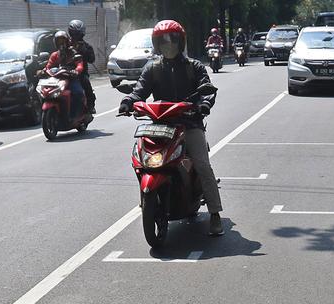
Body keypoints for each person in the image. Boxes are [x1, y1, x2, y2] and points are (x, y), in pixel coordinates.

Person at [119, 20, 225, 236]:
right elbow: (140, 90)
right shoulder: (152, 68)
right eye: (163, 41)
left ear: (181, 42)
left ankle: (215, 214)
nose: (168, 45)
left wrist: (204, 104)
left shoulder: (194, 66)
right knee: (142, 160)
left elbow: (207, 90)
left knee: (202, 165)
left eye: (172, 40)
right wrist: (128, 102)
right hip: (160, 125)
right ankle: (149, 200)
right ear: (157, 44)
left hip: (189, 123)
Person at [45, 31, 85, 121]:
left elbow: (79, 64)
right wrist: (43, 71)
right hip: (58, 79)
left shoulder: (73, 52)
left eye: (63, 41)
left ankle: (75, 115)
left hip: (71, 78)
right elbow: (48, 66)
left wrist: (76, 70)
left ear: (67, 41)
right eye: (59, 41)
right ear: (55, 42)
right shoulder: (55, 55)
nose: (61, 43)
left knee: (78, 92)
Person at [67, 19, 97, 115]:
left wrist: (84, 51)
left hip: (81, 73)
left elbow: (92, 59)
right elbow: (56, 55)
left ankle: (90, 105)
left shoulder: (86, 46)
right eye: (74, 34)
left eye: (78, 34)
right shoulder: (65, 44)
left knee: (86, 83)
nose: (76, 37)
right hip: (64, 72)